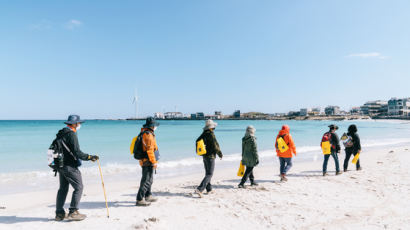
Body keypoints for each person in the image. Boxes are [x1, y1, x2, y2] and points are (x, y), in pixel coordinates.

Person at [54, 115, 99, 221]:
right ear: (74, 124)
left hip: (61, 165)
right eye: (79, 123)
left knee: (63, 189)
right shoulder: (71, 134)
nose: (80, 125)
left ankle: (59, 214)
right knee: (79, 187)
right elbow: (77, 152)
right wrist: (90, 157)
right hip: (70, 166)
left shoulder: (62, 133)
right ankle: (73, 212)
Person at [195, 120, 223, 197]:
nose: (214, 129)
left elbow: (197, 141)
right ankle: (200, 189)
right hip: (211, 156)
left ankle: (209, 189)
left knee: (207, 173)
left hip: (204, 156)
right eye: (213, 128)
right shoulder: (211, 134)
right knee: (210, 174)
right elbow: (215, 146)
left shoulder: (203, 134)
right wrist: (220, 154)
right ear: (211, 128)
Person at [136, 117, 160, 206]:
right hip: (147, 160)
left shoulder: (146, 133)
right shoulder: (148, 135)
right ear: (152, 126)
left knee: (149, 179)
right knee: (146, 180)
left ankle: (148, 195)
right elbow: (150, 150)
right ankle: (139, 199)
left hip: (145, 160)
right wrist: (154, 162)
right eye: (154, 125)